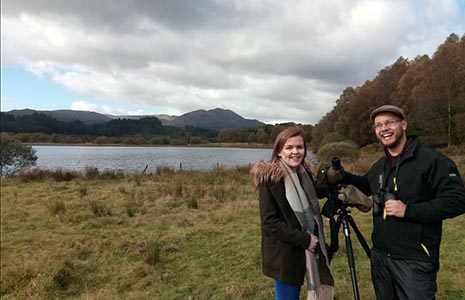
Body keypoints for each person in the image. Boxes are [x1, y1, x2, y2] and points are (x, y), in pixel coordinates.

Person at [342, 104, 465, 300]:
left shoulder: (432, 161)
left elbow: (458, 200)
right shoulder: (380, 165)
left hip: (414, 259)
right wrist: (342, 175)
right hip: (381, 257)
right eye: (378, 125)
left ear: (404, 125)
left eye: (390, 122)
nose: (384, 129)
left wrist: (408, 211)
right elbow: (366, 184)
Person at [251, 127, 334, 300]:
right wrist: (305, 240)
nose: (295, 152)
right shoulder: (270, 180)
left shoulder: (303, 175)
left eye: (300, 147)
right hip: (285, 254)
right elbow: (269, 223)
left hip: (307, 249)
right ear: (279, 152)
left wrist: (332, 180)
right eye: (289, 148)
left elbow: (314, 193)